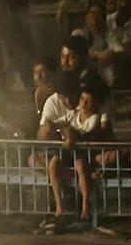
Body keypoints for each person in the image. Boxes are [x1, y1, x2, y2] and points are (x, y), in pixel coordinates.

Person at [45, 83, 112, 220]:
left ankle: (85, 203)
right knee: (53, 164)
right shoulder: (74, 114)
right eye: (82, 99)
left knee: (81, 166)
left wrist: (71, 135)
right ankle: (59, 204)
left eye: (89, 101)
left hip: (83, 152)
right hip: (69, 148)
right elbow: (60, 122)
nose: (84, 103)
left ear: (96, 105)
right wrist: (51, 125)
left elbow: (87, 131)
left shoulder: (95, 118)